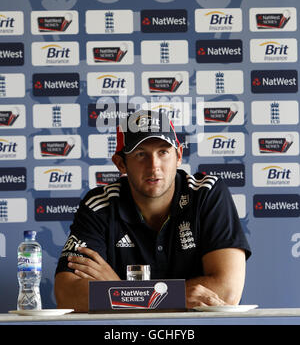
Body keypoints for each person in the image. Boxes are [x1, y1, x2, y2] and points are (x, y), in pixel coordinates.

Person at [54, 109, 251, 312]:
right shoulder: (100, 204)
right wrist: (174, 297)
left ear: (179, 156)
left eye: (163, 152)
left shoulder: (206, 193)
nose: (154, 166)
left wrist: (120, 288)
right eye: (141, 154)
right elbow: (67, 295)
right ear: (121, 164)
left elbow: (228, 292)